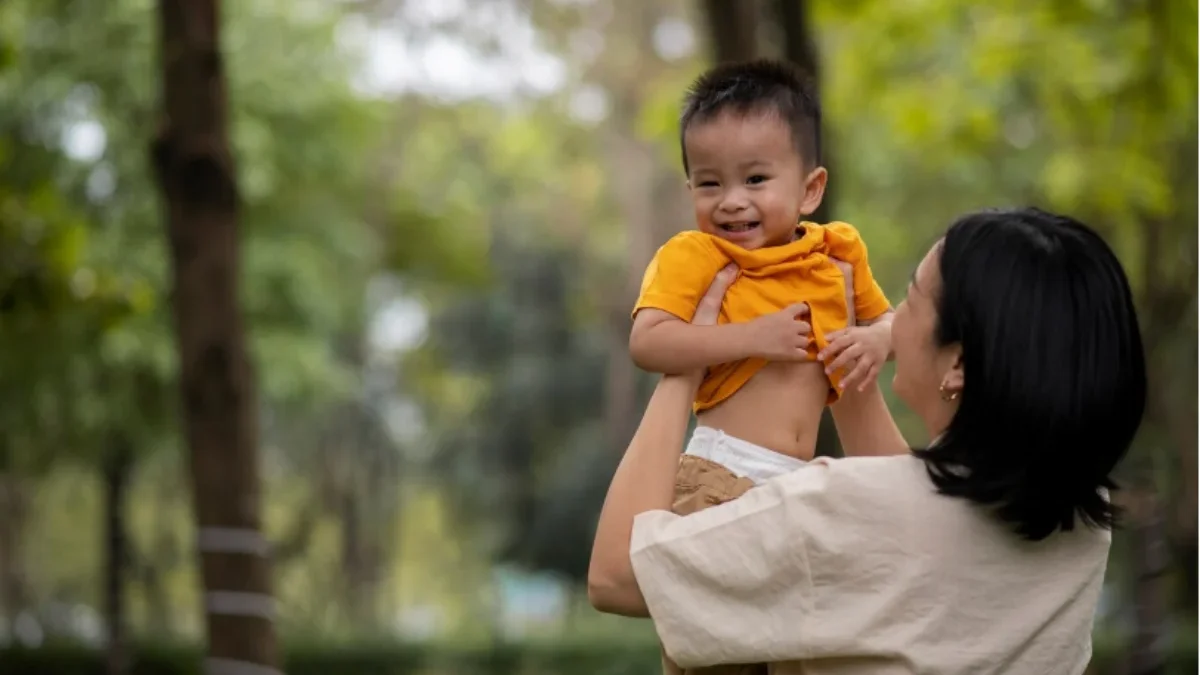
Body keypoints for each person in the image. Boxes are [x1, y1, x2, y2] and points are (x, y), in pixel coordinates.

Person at [590, 207, 1147, 675]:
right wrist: (842, 354)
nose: (892, 320)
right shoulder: (1083, 523)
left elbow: (616, 577)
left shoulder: (836, 508)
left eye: (911, 297)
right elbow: (924, 528)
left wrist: (688, 359)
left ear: (957, 364)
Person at [630, 59, 900, 675]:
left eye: (755, 179)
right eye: (708, 184)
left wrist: (877, 343)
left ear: (810, 188)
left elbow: (892, 323)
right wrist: (752, 335)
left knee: (798, 658)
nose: (731, 203)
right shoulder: (694, 256)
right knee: (712, 654)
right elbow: (649, 342)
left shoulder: (838, 253)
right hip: (718, 479)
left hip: (800, 486)